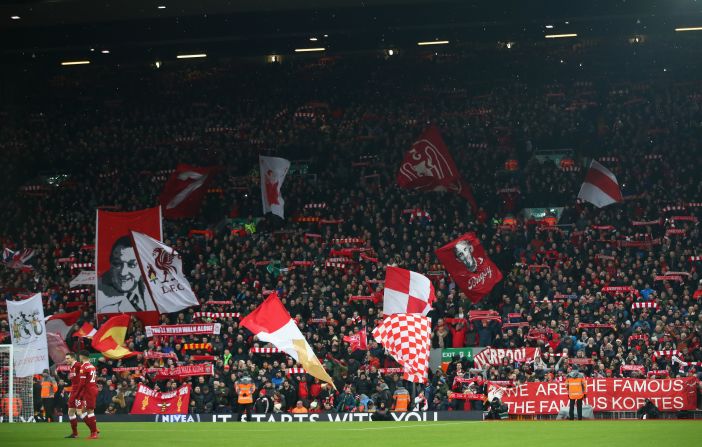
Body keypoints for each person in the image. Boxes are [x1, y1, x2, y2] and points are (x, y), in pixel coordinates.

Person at [97, 236, 152, 314]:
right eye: (117, 264)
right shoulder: (102, 304)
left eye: (132, 264)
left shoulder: (153, 289)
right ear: (111, 265)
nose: (123, 272)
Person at [74, 350, 99, 439]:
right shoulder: (92, 366)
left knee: (90, 411)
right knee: (84, 410)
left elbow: (82, 383)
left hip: (89, 391)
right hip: (93, 389)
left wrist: (77, 394)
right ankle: (94, 428)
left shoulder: (84, 367)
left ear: (81, 356)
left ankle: (94, 433)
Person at [64, 352, 84, 438]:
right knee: (71, 412)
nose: (66, 360)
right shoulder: (71, 367)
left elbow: (88, 372)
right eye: (66, 358)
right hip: (74, 391)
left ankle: (94, 429)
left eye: (68, 358)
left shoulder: (78, 365)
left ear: (73, 358)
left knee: (80, 412)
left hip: (79, 392)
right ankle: (75, 433)